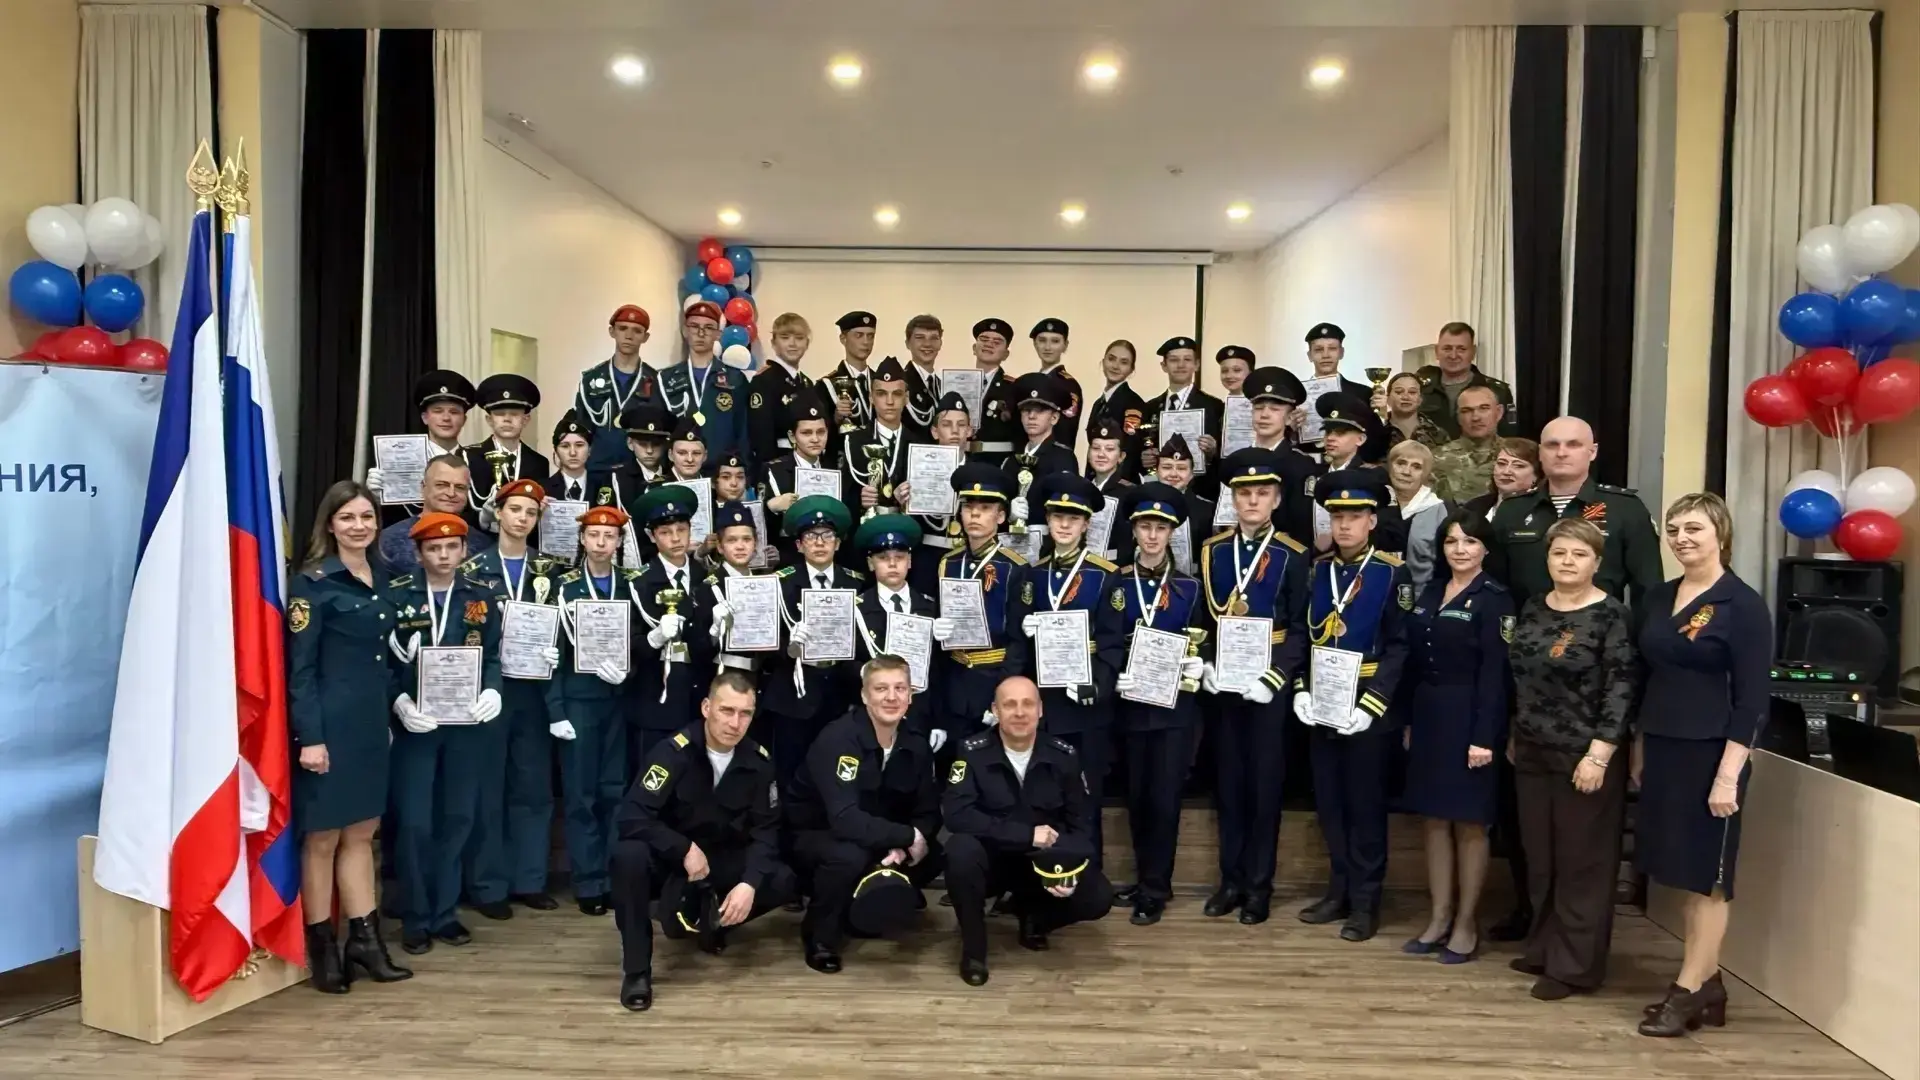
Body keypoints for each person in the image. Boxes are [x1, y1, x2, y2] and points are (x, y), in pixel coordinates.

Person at [1632, 493, 1770, 1037]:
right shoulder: (1658, 597)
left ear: (1720, 534)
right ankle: (1710, 987)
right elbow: (1648, 677)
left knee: (1710, 879)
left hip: (1714, 753)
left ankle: (1686, 991)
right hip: (1665, 746)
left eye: (1693, 528)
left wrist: (1728, 774)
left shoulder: (1743, 604)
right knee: (1684, 872)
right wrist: (1641, 746)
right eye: (1674, 529)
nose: (1682, 538)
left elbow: (1753, 700)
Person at [287, 481, 412, 992]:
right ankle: (324, 950)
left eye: (366, 517)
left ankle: (366, 941)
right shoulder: (313, 584)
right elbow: (300, 671)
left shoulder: (384, 577)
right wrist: (310, 738)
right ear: (330, 524)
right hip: (328, 728)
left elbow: (385, 659)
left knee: (362, 833)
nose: (359, 526)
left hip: (370, 725)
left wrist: (396, 705)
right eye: (348, 518)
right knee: (322, 838)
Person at [609, 670, 797, 1011]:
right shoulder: (673, 752)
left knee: (781, 878)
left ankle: (711, 923)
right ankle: (637, 972)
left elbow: (766, 830)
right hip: (671, 858)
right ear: (707, 708)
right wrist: (683, 848)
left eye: (745, 714)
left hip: (719, 859)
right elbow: (631, 816)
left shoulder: (758, 762)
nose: (735, 723)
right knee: (628, 856)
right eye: (727, 710)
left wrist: (749, 884)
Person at [1506, 518, 1637, 1000]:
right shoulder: (1534, 606)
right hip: (1532, 750)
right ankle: (1544, 947)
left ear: (1596, 563)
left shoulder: (1611, 615)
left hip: (1585, 755)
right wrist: (1515, 730)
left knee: (1583, 863)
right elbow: (1522, 675)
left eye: (1579, 554)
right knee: (1541, 859)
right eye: (1559, 552)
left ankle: (1574, 967)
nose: (1567, 561)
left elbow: (1621, 688)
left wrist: (1600, 754)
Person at [1290, 469, 1412, 942]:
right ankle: (1338, 890)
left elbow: (1400, 646)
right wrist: (1301, 687)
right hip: (1323, 700)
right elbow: (1304, 635)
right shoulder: (1318, 571)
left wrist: (1373, 703)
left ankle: (1365, 902)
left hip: (1367, 708)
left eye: (1355, 516)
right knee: (1331, 804)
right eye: (1337, 516)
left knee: (1365, 807)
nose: (1344, 525)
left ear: (1372, 520)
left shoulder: (1391, 573)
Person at [1198, 448, 1311, 925]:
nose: (1252, 501)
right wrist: (1205, 662)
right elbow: (1204, 619)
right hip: (1224, 684)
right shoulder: (1213, 550)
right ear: (1232, 498)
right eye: (1244, 493)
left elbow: (1302, 629)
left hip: (1268, 686)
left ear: (1276, 499)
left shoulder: (1293, 554)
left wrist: (1276, 676)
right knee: (1228, 786)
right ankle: (1230, 881)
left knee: (1264, 789)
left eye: (1262, 493)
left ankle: (1259, 886)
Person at [384, 512, 505, 953]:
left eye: (451, 547)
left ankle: (445, 912)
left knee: (458, 818)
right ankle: (416, 916)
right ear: (418, 553)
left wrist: (493, 690)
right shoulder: (398, 595)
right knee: (415, 822)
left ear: (464, 550)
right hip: (416, 726)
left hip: (465, 727)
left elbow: (492, 655)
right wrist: (398, 700)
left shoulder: (479, 596)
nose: (443, 555)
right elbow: (383, 661)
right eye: (433, 548)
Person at [943, 676, 1115, 985]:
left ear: (1040, 709)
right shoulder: (972, 751)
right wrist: (1025, 835)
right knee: (960, 850)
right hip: (993, 861)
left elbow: (1082, 826)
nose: (1020, 712)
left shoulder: (1064, 756)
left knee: (1098, 896)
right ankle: (974, 950)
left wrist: (1068, 868)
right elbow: (957, 816)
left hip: (1042, 865)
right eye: (1009, 705)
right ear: (995, 710)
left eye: (1028, 704)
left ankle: (1036, 919)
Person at [1398, 510, 1511, 964]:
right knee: (1433, 819)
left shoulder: (1494, 598)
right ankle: (1439, 916)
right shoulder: (1430, 590)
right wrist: (1409, 721)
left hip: (1470, 718)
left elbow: (1496, 675)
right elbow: (1412, 662)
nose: (1459, 549)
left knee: (1469, 821)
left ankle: (1466, 923)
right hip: (1430, 716)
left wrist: (1485, 736)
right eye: (1451, 541)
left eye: (1469, 541)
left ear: (1485, 548)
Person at [787, 654, 944, 973]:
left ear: (910, 696)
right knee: (848, 857)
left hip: (874, 835)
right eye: (881, 688)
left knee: (936, 854)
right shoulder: (838, 738)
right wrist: (904, 836)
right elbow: (844, 818)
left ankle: (868, 906)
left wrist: (904, 847)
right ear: (864, 695)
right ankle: (820, 937)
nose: (891, 697)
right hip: (815, 835)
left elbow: (928, 812)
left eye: (900, 688)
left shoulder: (916, 744)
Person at [460, 479, 564, 917]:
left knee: (533, 786)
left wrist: (557, 650)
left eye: (531, 513)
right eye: (515, 509)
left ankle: (530, 879)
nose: (522, 518)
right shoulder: (472, 569)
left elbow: (565, 626)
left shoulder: (550, 571)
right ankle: (489, 885)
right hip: (489, 689)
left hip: (535, 691)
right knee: (489, 788)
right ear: (498, 513)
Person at [1107, 482, 1208, 924]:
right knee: (1137, 798)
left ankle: (1156, 887)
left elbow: (1204, 640)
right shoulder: (1116, 582)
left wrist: (1198, 664)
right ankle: (1144, 878)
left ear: (1171, 533)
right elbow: (1107, 637)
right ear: (1133, 530)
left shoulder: (1189, 587)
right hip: (1130, 705)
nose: (1152, 536)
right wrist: (1115, 671)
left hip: (1173, 711)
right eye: (1145, 526)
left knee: (1164, 801)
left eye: (1160, 528)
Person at [1018, 472, 1125, 870]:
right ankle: (1040, 879)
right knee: (1042, 797)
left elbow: (1112, 644)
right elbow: (1019, 646)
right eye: (1057, 516)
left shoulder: (1105, 575)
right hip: (1044, 705)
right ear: (1047, 520)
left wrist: (1096, 686)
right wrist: (1026, 632)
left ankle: (1089, 877)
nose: (1064, 524)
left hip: (1084, 706)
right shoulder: (1033, 574)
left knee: (1085, 796)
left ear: (1086, 525)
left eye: (1073, 518)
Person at [546, 505, 643, 915]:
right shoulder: (563, 588)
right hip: (579, 703)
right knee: (581, 795)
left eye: (610, 536)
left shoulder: (632, 586)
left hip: (618, 703)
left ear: (619, 542)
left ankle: (613, 877)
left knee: (614, 792)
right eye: (594, 535)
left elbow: (641, 641)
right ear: (582, 539)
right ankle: (588, 881)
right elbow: (550, 655)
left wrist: (629, 669)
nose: (602, 543)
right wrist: (556, 710)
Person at [1488, 417, 1661, 612]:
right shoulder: (1513, 509)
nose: (1561, 453)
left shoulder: (1624, 507)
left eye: (1573, 445)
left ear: (1592, 452)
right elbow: (1494, 584)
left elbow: (1648, 587)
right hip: (1527, 625)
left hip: (1600, 626)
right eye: (1552, 445)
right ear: (1541, 453)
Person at [760, 495, 865, 789]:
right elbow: (763, 644)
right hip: (792, 696)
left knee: (836, 777)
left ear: (838, 543)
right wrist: (788, 647)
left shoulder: (856, 583)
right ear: (798, 545)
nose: (819, 543)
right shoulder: (779, 583)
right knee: (790, 775)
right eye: (811, 536)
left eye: (827, 535)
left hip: (839, 693)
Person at [936, 464, 1033, 756]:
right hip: (954, 681)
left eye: (986, 508)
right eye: (968, 507)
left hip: (992, 678)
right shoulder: (948, 563)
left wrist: (1002, 694)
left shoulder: (1014, 567)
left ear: (1001, 516)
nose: (975, 515)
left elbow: (1018, 641)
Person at [844, 514, 949, 746]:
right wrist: (868, 672)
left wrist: (938, 721)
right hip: (871, 716)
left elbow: (939, 672)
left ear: (910, 561)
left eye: (900, 557)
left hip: (919, 716)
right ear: (871, 563)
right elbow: (844, 664)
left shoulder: (930, 607)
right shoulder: (855, 609)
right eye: (883, 558)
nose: (892, 564)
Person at [630, 484, 715, 762]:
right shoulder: (639, 583)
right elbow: (629, 644)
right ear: (651, 536)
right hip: (657, 697)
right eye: (665, 532)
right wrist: (654, 638)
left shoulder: (706, 577)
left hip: (698, 695)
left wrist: (716, 633)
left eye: (682, 529)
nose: (676, 538)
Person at [366, 371, 478, 525]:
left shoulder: (478, 463)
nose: (446, 418)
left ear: (464, 419)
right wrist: (375, 499)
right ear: (425, 418)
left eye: (454, 412)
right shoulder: (398, 459)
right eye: (438, 411)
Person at [1311, 393, 1404, 556]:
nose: (1330, 438)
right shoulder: (1313, 474)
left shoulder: (1374, 477)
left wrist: (1336, 540)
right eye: (1328, 432)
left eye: (1340, 433)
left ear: (1360, 439)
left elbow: (1391, 532)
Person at [656, 301, 748, 463]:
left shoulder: (735, 379)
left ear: (718, 334)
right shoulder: (665, 379)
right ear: (685, 331)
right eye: (694, 326)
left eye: (709, 327)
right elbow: (659, 432)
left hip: (723, 471)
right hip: (679, 470)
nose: (701, 333)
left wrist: (743, 469)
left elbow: (744, 433)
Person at [903, 392, 975, 594]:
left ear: (969, 431)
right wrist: (902, 504)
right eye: (946, 425)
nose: (955, 431)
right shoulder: (917, 468)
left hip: (967, 556)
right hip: (926, 557)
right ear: (935, 432)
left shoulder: (979, 472)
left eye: (961, 425)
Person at [574, 304, 661, 471]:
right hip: (597, 470)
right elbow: (582, 429)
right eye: (622, 328)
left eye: (637, 331)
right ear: (612, 331)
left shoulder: (656, 381)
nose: (629, 336)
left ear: (645, 337)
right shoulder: (591, 380)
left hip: (639, 472)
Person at [376, 454, 495, 574]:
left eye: (460, 487)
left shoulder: (484, 545)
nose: (451, 493)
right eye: (441, 485)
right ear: (423, 488)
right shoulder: (387, 540)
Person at [1240, 366, 1319, 546]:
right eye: (1258, 408)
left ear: (1290, 418)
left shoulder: (1301, 464)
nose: (1264, 415)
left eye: (1275, 409)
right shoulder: (1238, 461)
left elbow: (1302, 525)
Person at [464, 373, 550, 529]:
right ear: (489, 419)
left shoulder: (539, 463)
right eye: (499, 414)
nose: (507, 419)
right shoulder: (469, 457)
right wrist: (484, 517)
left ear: (526, 420)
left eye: (514, 414)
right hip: (481, 538)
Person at [838, 356, 918, 522]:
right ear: (871, 398)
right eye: (881, 394)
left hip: (905, 531)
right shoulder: (853, 442)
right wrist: (859, 500)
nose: (889, 401)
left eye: (897, 394)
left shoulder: (918, 445)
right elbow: (842, 496)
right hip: (866, 531)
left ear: (907, 397)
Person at [759, 397, 836, 569]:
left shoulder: (835, 469)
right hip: (789, 559)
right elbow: (759, 526)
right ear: (792, 436)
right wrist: (771, 507)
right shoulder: (774, 470)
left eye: (821, 432)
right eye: (806, 433)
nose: (815, 439)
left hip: (829, 557)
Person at [747, 311, 828, 468]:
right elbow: (761, 437)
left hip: (808, 465)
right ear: (773, 343)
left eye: (799, 338)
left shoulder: (807, 383)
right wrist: (772, 472)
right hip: (780, 465)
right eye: (785, 338)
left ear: (807, 343)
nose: (793, 344)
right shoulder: (764, 380)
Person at [1416, 322, 1519, 441]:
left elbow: (1508, 438)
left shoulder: (1497, 391)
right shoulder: (1419, 388)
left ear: (1473, 352)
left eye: (1461, 349)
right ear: (1437, 351)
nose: (1453, 355)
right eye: (1447, 348)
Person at [1138, 337, 1224, 478]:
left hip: (1200, 486)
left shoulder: (1214, 406)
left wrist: (1214, 450)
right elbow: (1142, 447)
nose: (1181, 365)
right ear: (1164, 366)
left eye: (1187, 359)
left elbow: (1226, 456)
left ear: (1197, 365)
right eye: (1174, 360)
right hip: (1161, 485)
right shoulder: (1150, 407)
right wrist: (1144, 458)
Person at [1006, 370, 1080, 512]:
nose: (1031, 416)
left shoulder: (1063, 459)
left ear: (1054, 418)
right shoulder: (1011, 461)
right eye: (1026, 410)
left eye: (1040, 411)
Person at [1298, 323, 1372, 458]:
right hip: (1306, 463)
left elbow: (1371, 435)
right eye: (1318, 350)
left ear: (1341, 352)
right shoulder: (1297, 395)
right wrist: (1292, 429)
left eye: (1332, 348)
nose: (1326, 355)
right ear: (1310, 355)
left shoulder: (1362, 393)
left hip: (1350, 466)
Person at [1386, 440, 1449, 591]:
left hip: (1422, 596)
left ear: (1425, 474)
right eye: (1401, 463)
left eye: (1416, 467)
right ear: (1390, 466)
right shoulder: (1375, 503)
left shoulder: (1437, 510)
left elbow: (1444, 565)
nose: (1406, 472)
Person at [1430, 385, 1507, 504]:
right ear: (1458, 417)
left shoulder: (1518, 456)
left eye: (1484, 408)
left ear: (1499, 412)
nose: (1476, 417)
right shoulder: (1436, 459)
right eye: (1466, 411)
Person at [1085, 340, 1147, 478]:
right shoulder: (1099, 404)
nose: (1115, 366)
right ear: (1103, 362)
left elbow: (1130, 450)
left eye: (1124, 362)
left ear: (1131, 369)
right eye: (1111, 359)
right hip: (1095, 478)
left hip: (1119, 482)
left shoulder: (1133, 403)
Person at [971, 317, 1022, 468]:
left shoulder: (1014, 387)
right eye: (984, 339)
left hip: (998, 463)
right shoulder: (958, 383)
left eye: (997, 342)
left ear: (1006, 354)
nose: (989, 344)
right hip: (963, 459)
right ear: (974, 348)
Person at [1029, 317, 1085, 451]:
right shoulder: (1031, 382)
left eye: (1055, 341)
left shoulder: (1068, 385)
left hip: (1055, 456)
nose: (1047, 347)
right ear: (1035, 344)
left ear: (1065, 345)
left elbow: (1065, 431)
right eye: (1042, 340)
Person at [545, 410, 617, 512]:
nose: (573, 453)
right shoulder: (544, 489)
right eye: (565, 446)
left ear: (590, 449)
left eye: (579, 445)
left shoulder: (605, 486)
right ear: (556, 451)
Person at [824, 310, 879, 433]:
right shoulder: (826, 385)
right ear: (843, 339)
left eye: (870, 336)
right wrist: (836, 419)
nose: (866, 342)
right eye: (859, 335)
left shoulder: (880, 381)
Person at [1464, 437, 1540, 523]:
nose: (1506, 472)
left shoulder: (1543, 511)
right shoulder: (1473, 508)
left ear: (1537, 474)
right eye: (1501, 463)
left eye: (1518, 466)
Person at [899, 313, 946, 437]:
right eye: (920, 337)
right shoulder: (900, 383)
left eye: (934, 338)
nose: (927, 344)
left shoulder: (944, 386)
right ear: (907, 343)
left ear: (940, 343)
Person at [1381, 371, 1448, 452]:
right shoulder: (1377, 430)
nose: (1405, 397)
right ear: (1388, 399)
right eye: (1399, 392)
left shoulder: (1438, 434)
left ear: (1420, 399)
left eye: (1412, 392)